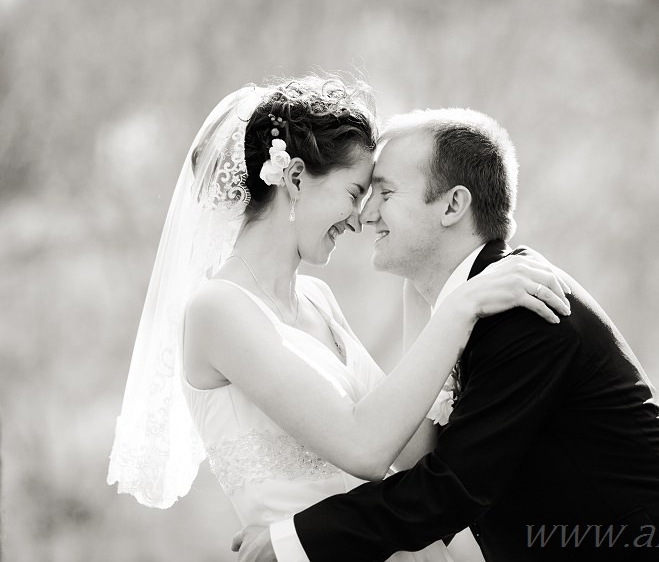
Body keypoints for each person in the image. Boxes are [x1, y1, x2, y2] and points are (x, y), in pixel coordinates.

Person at [234, 108, 659, 562]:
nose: (364, 214)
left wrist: (292, 541)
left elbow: (452, 488)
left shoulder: (525, 308)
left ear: (452, 205)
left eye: (385, 192)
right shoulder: (471, 305)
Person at [106, 76, 571, 562]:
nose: (358, 218)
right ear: (295, 178)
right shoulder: (217, 311)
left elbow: (414, 452)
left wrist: (423, 291)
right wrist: (461, 308)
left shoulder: (317, 299)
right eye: (354, 192)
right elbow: (364, 448)